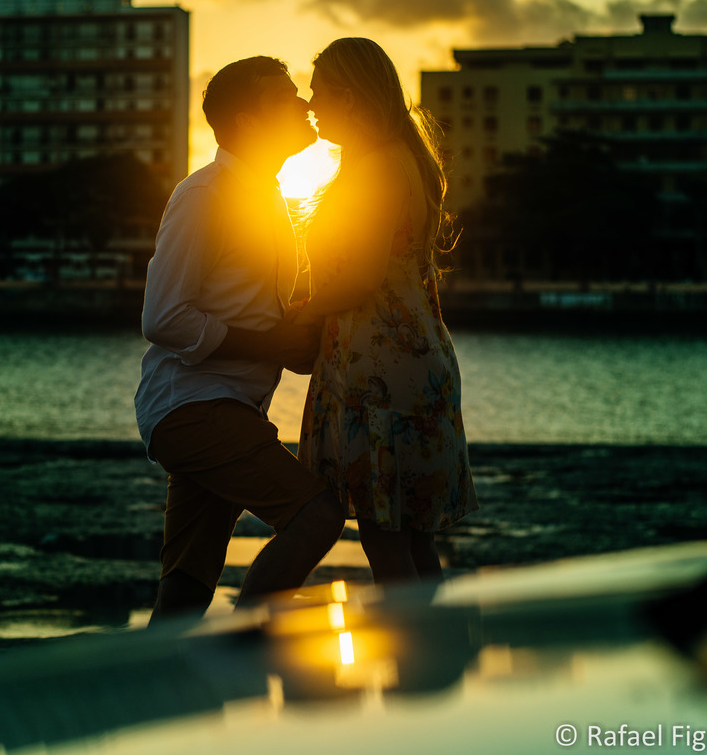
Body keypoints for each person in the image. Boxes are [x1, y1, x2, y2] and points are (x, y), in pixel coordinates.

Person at [135, 56, 346, 622]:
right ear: (251, 121)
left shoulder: (266, 195)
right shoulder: (206, 193)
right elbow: (163, 318)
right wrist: (274, 344)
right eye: (286, 98)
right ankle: (244, 652)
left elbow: (251, 308)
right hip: (193, 407)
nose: (303, 105)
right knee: (319, 513)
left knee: (185, 589)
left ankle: (159, 697)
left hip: (226, 407)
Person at [294, 38, 478, 584]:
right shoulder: (404, 159)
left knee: (384, 531)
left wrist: (291, 312)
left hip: (379, 371)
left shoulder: (374, 168)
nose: (309, 102)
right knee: (409, 533)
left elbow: (359, 276)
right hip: (411, 360)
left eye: (318, 91)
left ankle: (415, 658)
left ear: (349, 98)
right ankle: (431, 657)